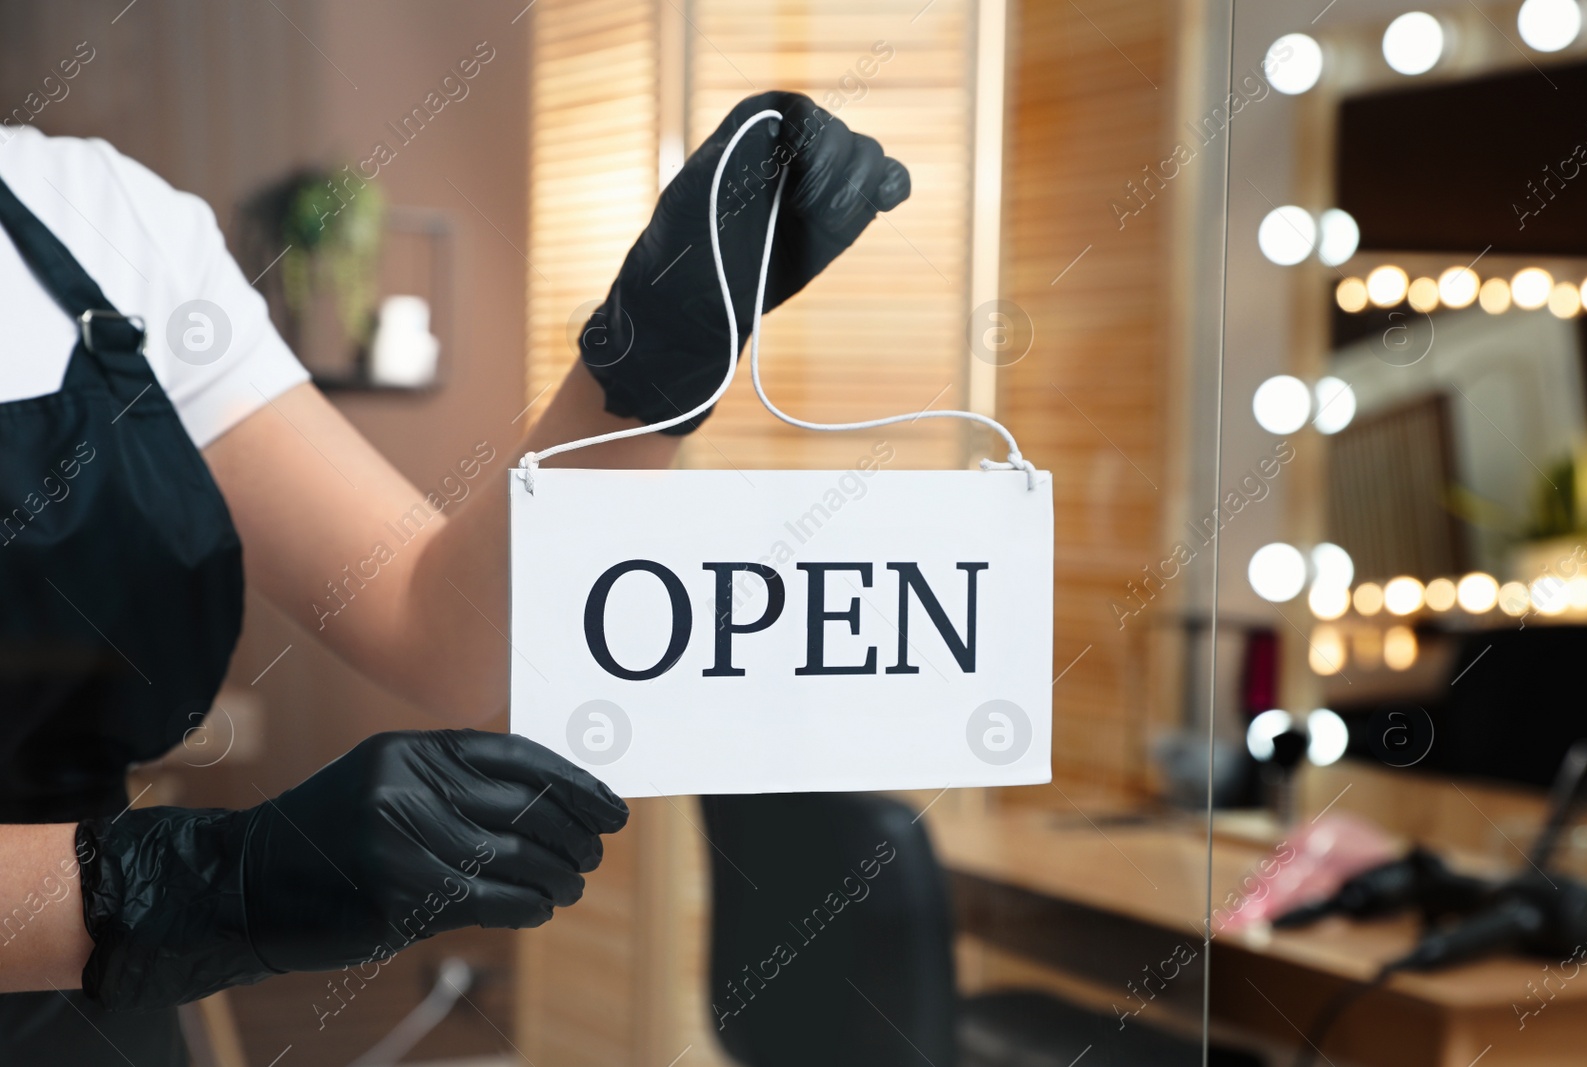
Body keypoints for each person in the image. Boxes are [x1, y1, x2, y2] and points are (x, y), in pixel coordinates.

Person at [0, 90, 909, 1063]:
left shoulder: (95, 214)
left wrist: (652, 363)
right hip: (115, 937)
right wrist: (201, 884)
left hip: (93, 1021)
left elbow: (452, 632)